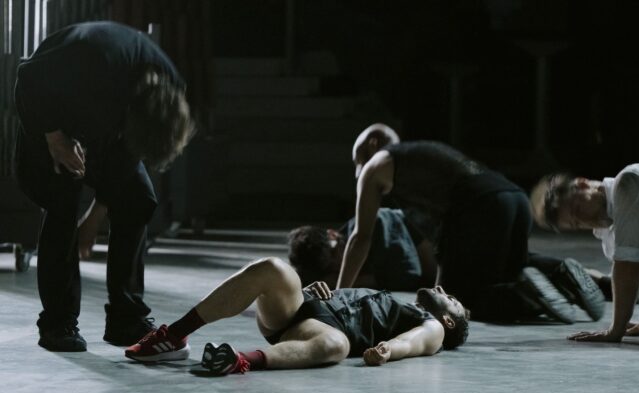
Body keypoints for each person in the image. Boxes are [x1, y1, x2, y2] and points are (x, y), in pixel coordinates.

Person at [14, 21, 195, 352]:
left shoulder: (171, 89)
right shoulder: (93, 57)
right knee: (63, 201)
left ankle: (126, 318)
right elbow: (28, 78)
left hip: (107, 126)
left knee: (139, 198)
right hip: (50, 116)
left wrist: (98, 214)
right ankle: (58, 323)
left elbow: (128, 155)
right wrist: (55, 138)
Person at [337, 123, 605, 324]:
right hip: (513, 198)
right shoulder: (419, 157)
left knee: (457, 303)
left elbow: (361, 237)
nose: (356, 171)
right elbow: (444, 238)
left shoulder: (376, 167)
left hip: (480, 205)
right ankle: (560, 273)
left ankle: (524, 298)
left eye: (355, 160)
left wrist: (338, 295)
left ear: (372, 144)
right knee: (508, 270)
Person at [124, 257, 469, 374]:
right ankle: (175, 335)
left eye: (450, 300)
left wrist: (388, 351)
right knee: (273, 269)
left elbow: (417, 342)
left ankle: (238, 361)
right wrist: (312, 290)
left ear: (449, 321)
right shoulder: (394, 300)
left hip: (321, 332)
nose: (442, 292)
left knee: (336, 345)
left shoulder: (434, 327)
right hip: (304, 308)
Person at [530, 163, 639, 342]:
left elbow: (629, 264)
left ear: (582, 184)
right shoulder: (609, 236)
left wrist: (615, 331)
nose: (584, 221)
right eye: (576, 223)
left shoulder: (630, 182)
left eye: (578, 210)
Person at [288, 208, 437, 290]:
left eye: (334, 252)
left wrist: (354, 281)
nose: (338, 264)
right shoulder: (321, 267)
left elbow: (409, 275)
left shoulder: (376, 225)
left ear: (333, 234)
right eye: (329, 267)